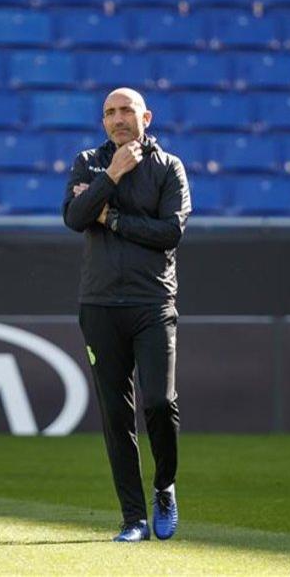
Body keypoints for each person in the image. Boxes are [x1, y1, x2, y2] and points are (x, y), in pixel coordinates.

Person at [63, 88, 191, 542]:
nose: (118, 119)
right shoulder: (88, 162)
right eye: (110, 113)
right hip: (99, 305)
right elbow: (75, 217)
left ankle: (164, 485)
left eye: (126, 111)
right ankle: (133, 518)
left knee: (160, 403)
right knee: (116, 416)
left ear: (146, 117)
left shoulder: (169, 167)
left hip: (153, 303)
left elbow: (170, 232)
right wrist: (112, 175)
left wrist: (112, 219)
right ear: (103, 122)